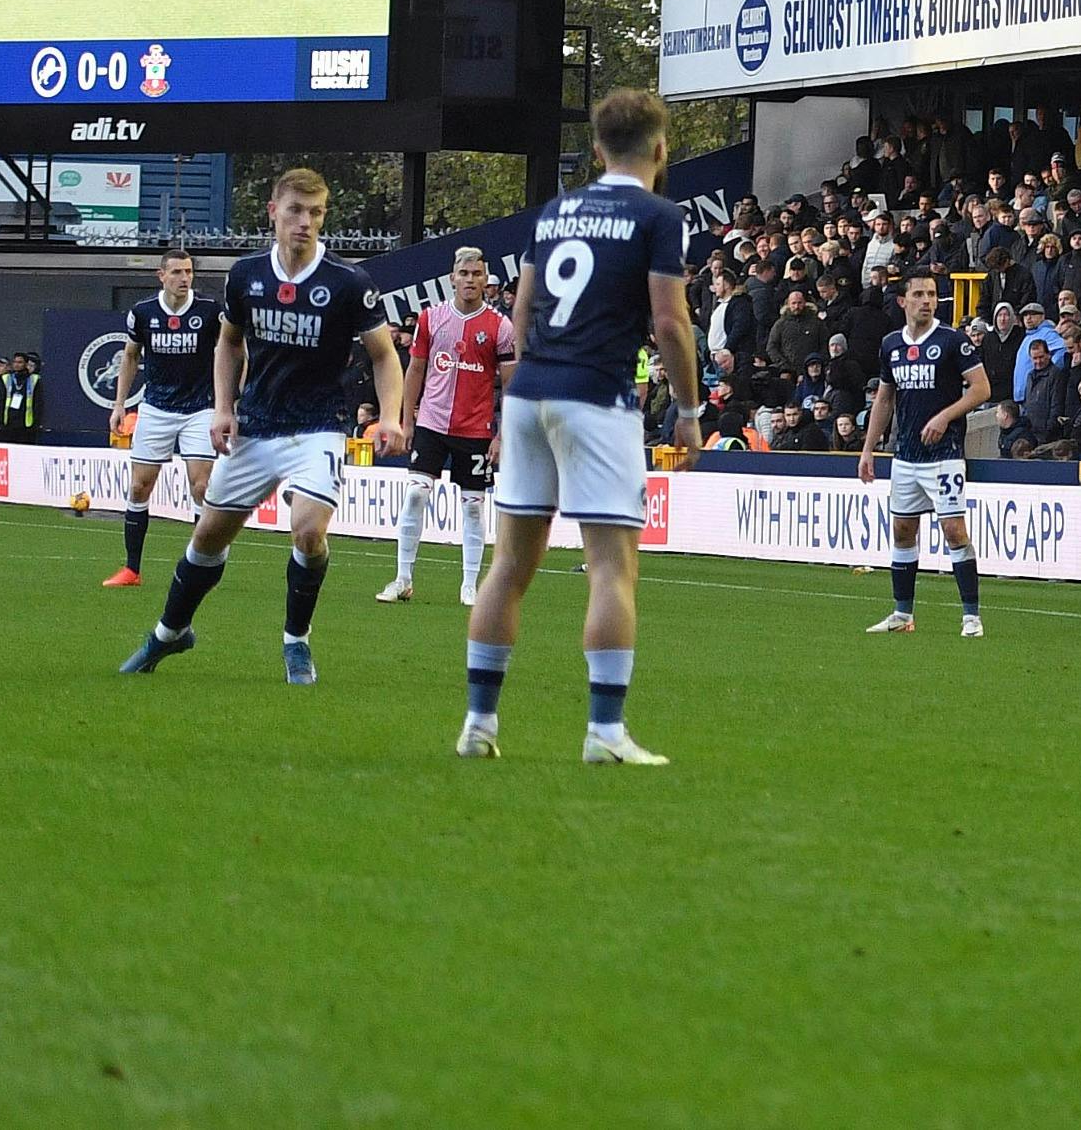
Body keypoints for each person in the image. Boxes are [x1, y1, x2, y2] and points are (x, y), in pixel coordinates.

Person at [462, 88, 701, 765]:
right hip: (597, 395)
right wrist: (688, 412)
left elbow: (522, 311)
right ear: (661, 149)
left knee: (510, 565)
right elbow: (670, 322)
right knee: (611, 568)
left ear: (596, 150)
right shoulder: (660, 215)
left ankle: (479, 723)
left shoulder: (556, 211)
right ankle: (605, 732)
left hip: (530, 391)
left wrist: (524, 390)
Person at [117, 169, 409, 689]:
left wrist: (390, 416)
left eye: (316, 213)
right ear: (273, 212)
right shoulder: (246, 275)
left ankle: (296, 640)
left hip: (318, 426)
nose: (306, 222)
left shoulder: (349, 283)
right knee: (207, 538)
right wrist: (223, 408)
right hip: (255, 425)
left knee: (309, 530)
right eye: (295, 210)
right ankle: (170, 632)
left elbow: (385, 356)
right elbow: (229, 343)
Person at [857, 267, 991, 637]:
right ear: (903, 301)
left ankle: (971, 617)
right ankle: (903, 614)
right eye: (918, 294)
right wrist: (868, 449)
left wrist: (945, 416)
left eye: (931, 294)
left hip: (944, 455)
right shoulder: (891, 345)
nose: (927, 301)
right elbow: (885, 398)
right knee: (902, 530)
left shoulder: (952, 340)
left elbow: (981, 389)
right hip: (906, 456)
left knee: (954, 530)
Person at [380, 246, 516, 609]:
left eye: (477, 274)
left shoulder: (500, 327)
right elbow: (415, 369)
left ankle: (470, 585)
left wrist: (502, 433)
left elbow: (510, 383)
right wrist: (407, 420)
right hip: (432, 422)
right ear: (453, 278)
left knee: (473, 507)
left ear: (485, 280)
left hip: (476, 430)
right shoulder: (431, 318)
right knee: (415, 494)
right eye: (464, 274)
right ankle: (403, 579)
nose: (470, 280)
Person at [103, 247, 222, 589]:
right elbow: (130, 356)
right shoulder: (143, 312)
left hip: (200, 408)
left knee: (201, 486)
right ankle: (132, 569)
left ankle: (201, 566)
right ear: (161, 276)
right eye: (177, 272)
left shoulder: (209, 311)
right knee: (139, 486)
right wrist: (119, 404)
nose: (185, 278)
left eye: (189, 272)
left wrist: (230, 402)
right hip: (156, 408)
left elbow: (233, 351)